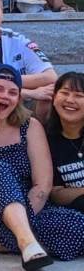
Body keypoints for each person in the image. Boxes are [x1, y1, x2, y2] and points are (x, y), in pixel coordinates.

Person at [0, 63, 84, 271]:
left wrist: (23, 217)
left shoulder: (30, 126)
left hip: (30, 207)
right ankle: (27, 244)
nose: (5, 96)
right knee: (1, 170)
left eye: (13, 92)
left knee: (78, 225)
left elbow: (42, 185)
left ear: (19, 98)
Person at [46, 71, 84, 210]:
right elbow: (55, 194)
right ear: (54, 98)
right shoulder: (45, 139)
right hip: (73, 218)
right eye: (65, 92)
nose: (70, 100)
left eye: (79, 95)